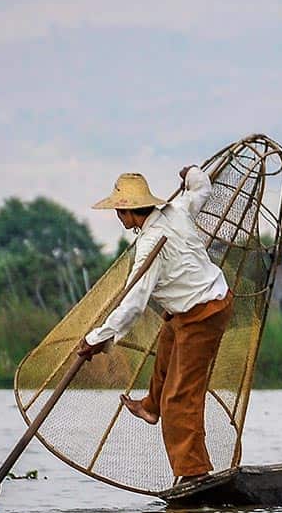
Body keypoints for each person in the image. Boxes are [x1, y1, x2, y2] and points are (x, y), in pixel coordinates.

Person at [76, 166, 232, 485]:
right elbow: (200, 188)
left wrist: (96, 339)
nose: (119, 217)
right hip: (187, 310)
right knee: (166, 348)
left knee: (180, 396)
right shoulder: (176, 210)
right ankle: (150, 406)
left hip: (204, 312)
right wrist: (192, 173)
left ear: (131, 212)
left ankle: (193, 473)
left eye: (121, 211)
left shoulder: (150, 245)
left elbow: (133, 304)